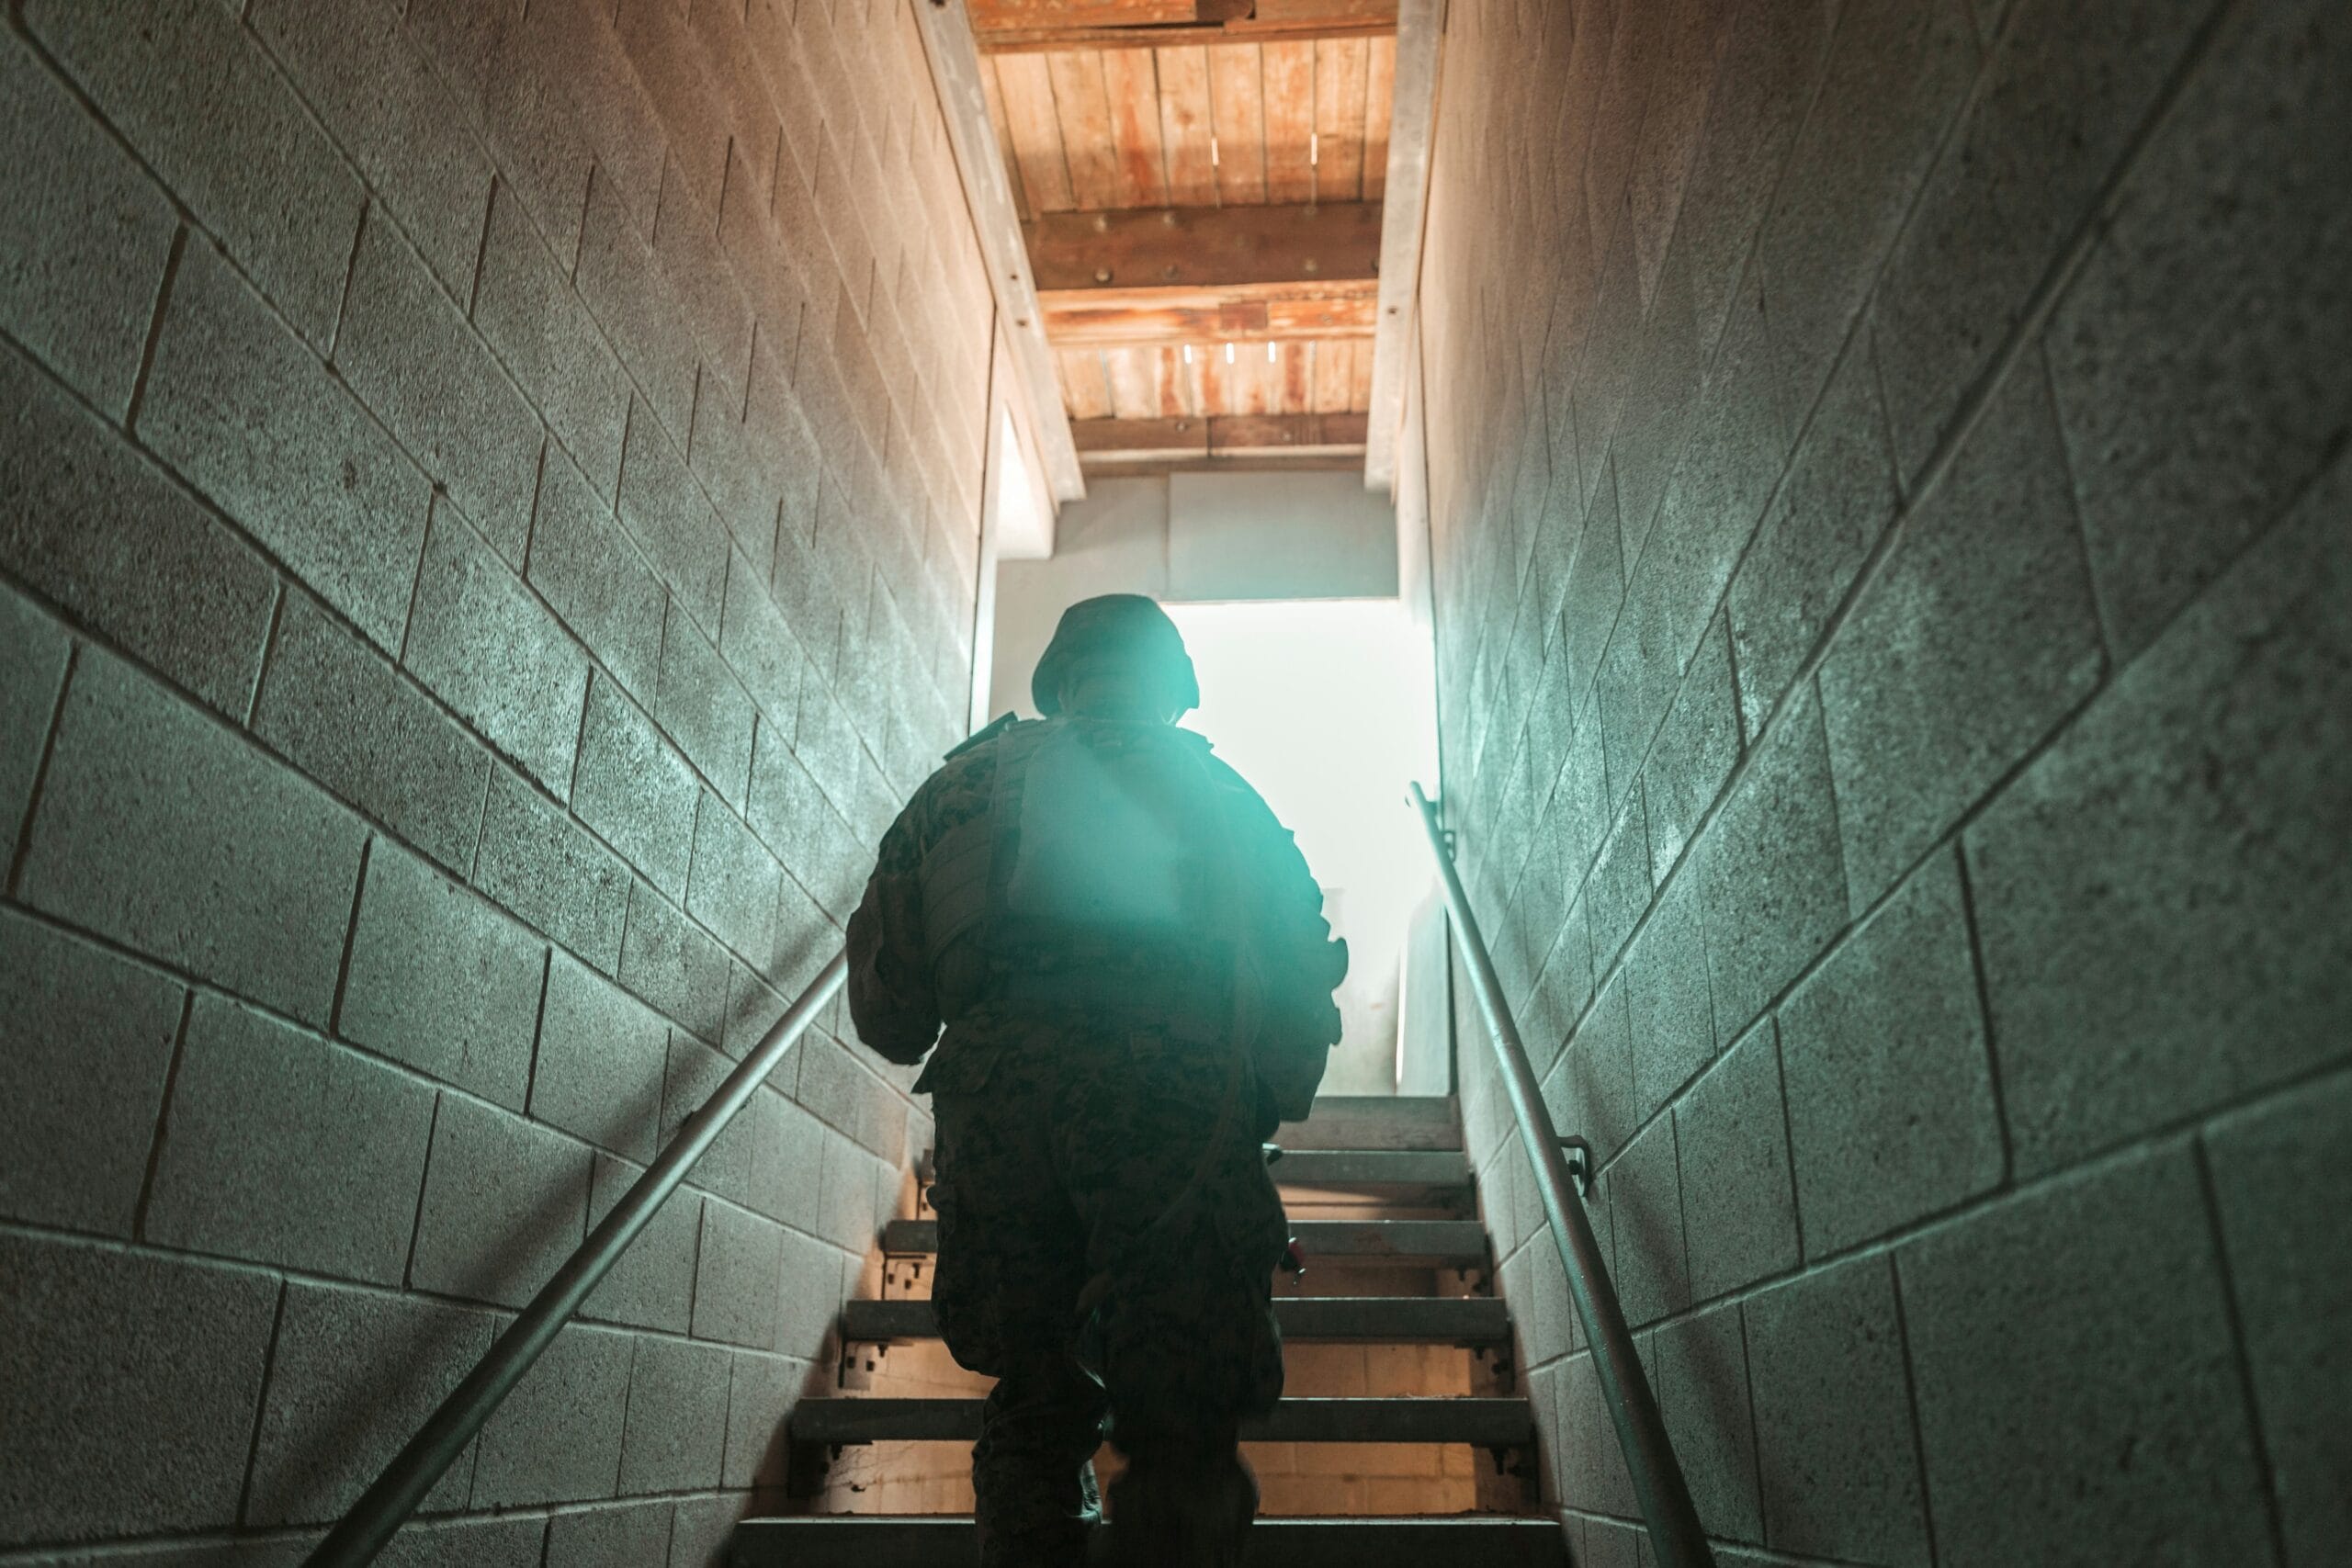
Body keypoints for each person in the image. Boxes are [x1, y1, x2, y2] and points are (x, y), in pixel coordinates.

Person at [846, 594, 1349, 1568]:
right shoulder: (1230, 801)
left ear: (1060, 681)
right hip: (1179, 1123)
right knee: (1183, 1433)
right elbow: (1296, 1029)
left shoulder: (961, 790)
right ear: (1174, 690)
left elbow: (890, 1015)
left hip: (1002, 1132)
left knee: (1034, 1407)